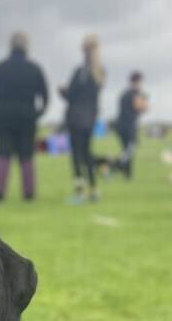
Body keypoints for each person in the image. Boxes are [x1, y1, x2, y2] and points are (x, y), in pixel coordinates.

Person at [0, 32, 48, 201]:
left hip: (3, 115)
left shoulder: (1, 67)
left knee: (3, 154)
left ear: (10, 46)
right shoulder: (34, 68)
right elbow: (45, 95)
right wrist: (37, 113)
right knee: (27, 154)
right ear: (26, 46)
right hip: (27, 116)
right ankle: (28, 192)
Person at [60, 35, 105, 203]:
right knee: (88, 154)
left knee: (77, 156)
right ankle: (94, 190)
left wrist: (62, 90)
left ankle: (80, 192)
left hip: (76, 118)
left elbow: (71, 95)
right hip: (91, 119)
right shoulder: (99, 73)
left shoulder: (80, 72)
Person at [114, 71, 148, 179]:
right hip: (129, 126)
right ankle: (117, 166)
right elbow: (140, 107)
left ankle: (127, 174)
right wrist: (145, 102)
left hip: (120, 125)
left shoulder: (124, 93)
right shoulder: (136, 93)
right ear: (138, 81)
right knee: (130, 150)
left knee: (126, 150)